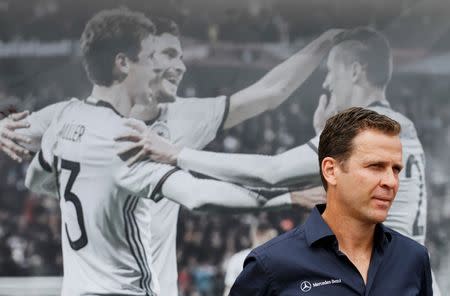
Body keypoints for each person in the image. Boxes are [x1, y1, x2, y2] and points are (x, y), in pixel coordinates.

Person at [0, 17, 343, 295]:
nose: (179, 66)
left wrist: (323, 41)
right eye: (163, 55)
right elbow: (198, 195)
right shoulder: (120, 138)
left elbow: (270, 92)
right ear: (128, 62)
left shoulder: (77, 117)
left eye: (180, 56)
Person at [230, 107, 433, 295]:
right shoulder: (270, 265)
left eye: (396, 169)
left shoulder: (413, 258)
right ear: (331, 170)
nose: (391, 181)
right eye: (375, 166)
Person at [223, 222, 277, 296]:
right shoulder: (237, 259)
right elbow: (229, 289)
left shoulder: (276, 260)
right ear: (258, 234)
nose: (275, 242)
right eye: (270, 237)